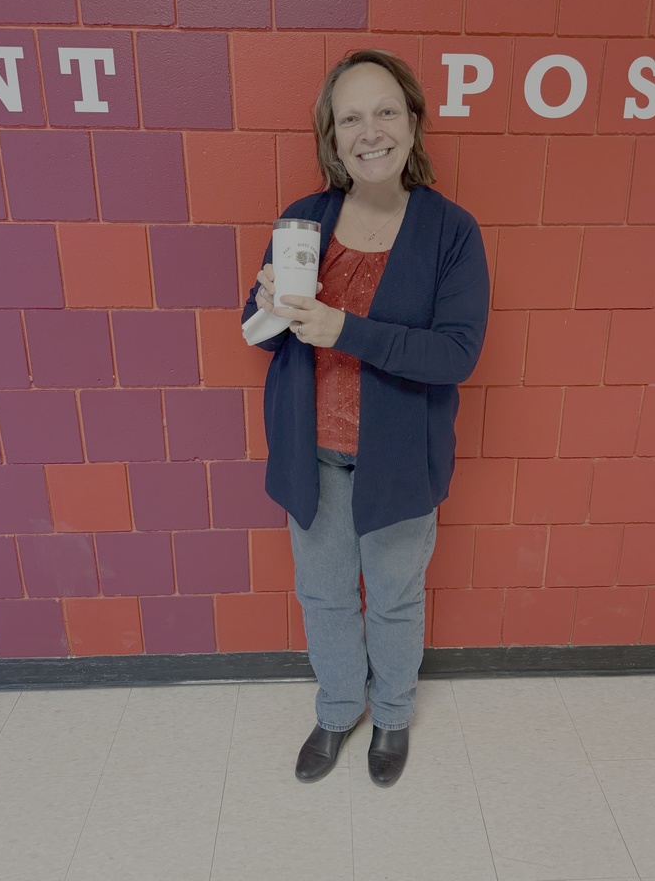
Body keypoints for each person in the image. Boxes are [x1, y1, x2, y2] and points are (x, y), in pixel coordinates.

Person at [241, 49, 489, 787]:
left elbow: (456, 355)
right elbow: (257, 330)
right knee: (321, 595)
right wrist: (267, 310)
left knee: (393, 597)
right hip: (310, 453)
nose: (370, 130)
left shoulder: (451, 232)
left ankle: (391, 718)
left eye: (386, 111)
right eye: (351, 116)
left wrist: (342, 328)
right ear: (332, 134)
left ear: (413, 123)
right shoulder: (303, 219)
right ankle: (338, 707)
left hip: (399, 460)